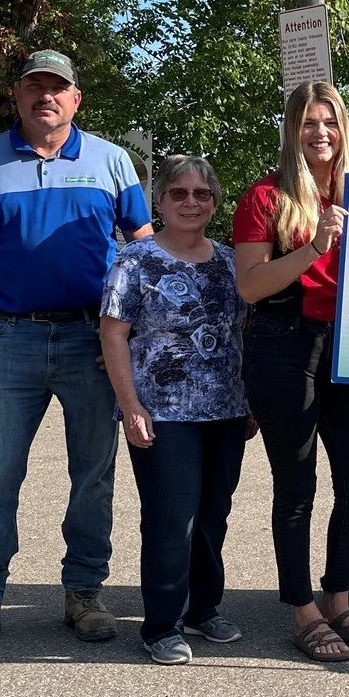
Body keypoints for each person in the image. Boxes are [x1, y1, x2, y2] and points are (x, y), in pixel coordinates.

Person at [0, 49, 153, 656]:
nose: (45, 97)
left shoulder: (112, 162)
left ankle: (84, 593)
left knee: (93, 477)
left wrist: (141, 338)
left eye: (57, 88)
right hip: (13, 338)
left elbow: (142, 250)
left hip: (93, 341)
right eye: (34, 87)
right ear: (18, 96)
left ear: (76, 99)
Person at [233, 81, 349, 662]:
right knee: (297, 488)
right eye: (307, 123)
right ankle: (302, 611)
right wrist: (315, 246)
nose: (320, 133)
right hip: (283, 347)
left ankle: (338, 599)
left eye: (330, 122)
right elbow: (250, 285)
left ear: (344, 130)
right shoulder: (266, 197)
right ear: (291, 131)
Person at [99, 156, 250, 666]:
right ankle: (162, 623)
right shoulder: (135, 259)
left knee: (213, 517)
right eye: (179, 193)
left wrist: (249, 399)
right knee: (171, 518)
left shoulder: (232, 260)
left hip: (226, 410)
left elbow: (242, 332)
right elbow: (113, 332)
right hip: (162, 412)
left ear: (214, 201)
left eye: (201, 194)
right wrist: (130, 405)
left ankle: (204, 609)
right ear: (158, 201)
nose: (191, 202)